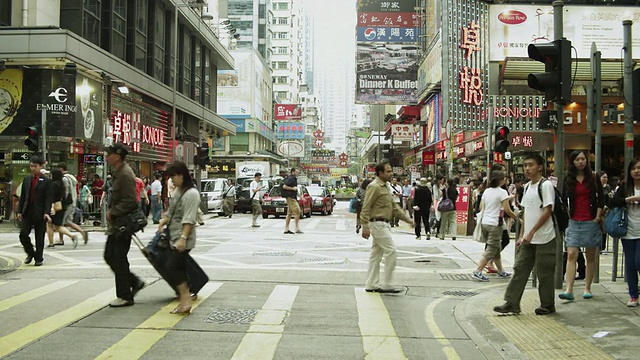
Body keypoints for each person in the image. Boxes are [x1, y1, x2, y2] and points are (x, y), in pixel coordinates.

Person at [494, 153, 557, 315]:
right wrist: (522, 234)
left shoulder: (546, 185)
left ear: (540, 167)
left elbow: (548, 211)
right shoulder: (528, 187)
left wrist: (532, 232)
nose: (527, 168)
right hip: (528, 238)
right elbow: (525, 213)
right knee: (520, 269)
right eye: (525, 165)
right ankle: (512, 302)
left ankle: (547, 305)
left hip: (545, 238)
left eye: (531, 165)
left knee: (544, 273)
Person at [360, 161, 414, 293]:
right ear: (380, 173)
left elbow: (394, 207)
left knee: (376, 255)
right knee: (391, 251)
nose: (391, 173)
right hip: (377, 224)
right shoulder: (374, 186)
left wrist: (408, 220)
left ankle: (371, 284)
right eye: (388, 171)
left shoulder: (386, 187)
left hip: (384, 223)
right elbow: (366, 207)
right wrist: (364, 226)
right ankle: (387, 283)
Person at [558, 150, 604, 301]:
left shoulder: (593, 177)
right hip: (574, 221)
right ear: (572, 162)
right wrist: (566, 214)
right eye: (577, 159)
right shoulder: (568, 178)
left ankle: (587, 287)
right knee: (571, 253)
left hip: (590, 220)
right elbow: (563, 198)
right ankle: (569, 289)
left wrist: (597, 217)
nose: (580, 162)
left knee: (590, 255)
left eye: (583, 159)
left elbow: (601, 199)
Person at [103, 143, 145, 307]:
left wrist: (113, 212)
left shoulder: (125, 174)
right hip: (117, 224)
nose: (107, 156)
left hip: (123, 224)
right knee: (111, 256)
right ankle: (134, 282)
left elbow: (131, 201)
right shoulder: (119, 172)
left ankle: (125, 295)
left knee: (118, 258)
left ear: (118, 156)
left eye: (110, 154)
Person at [157, 161, 200, 315]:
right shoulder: (179, 190)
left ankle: (186, 299)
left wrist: (183, 238)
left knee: (172, 267)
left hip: (183, 238)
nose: (172, 180)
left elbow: (189, 219)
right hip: (174, 236)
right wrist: (164, 220)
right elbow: (172, 210)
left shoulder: (191, 194)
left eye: (173, 176)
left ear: (182, 175)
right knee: (178, 268)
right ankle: (185, 301)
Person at [472, 170, 516, 281]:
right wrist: (517, 219)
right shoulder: (502, 192)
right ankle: (477, 271)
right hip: (495, 224)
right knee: (491, 249)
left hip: (485, 222)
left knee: (495, 248)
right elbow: (507, 210)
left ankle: (501, 271)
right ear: (501, 180)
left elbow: (482, 207)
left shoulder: (487, 191)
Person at [610, 159, 640, 307]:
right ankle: (633, 295)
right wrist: (630, 199)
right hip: (628, 230)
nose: (636, 171)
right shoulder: (624, 186)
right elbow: (614, 202)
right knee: (630, 264)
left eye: (639, 168)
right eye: (633, 168)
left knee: (638, 261)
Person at [17, 156, 53, 266]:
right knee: (23, 234)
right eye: (31, 166)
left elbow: (48, 198)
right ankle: (30, 253)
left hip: (40, 212)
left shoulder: (46, 181)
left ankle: (39, 258)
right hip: (27, 211)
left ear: (41, 166)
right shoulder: (27, 179)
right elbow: (23, 196)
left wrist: (47, 212)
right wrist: (19, 211)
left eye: (35, 166)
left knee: (39, 236)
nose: (33, 168)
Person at [58, 163, 88, 244]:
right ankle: (82, 232)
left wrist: (62, 200)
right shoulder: (72, 177)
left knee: (60, 221)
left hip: (67, 203)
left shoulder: (64, 178)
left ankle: (61, 240)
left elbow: (66, 191)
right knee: (68, 221)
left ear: (61, 169)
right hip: (73, 201)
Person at [49, 169, 79, 249]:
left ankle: (51, 243)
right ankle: (71, 236)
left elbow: (53, 197)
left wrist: (52, 207)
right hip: (62, 206)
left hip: (55, 207)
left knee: (50, 225)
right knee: (57, 225)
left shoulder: (54, 184)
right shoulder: (61, 183)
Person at [283, 168, 302, 234]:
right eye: (297, 172)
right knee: (298, 211)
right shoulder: (291, 178)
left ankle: (286, 229)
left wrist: (300, 197)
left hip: (292, 197)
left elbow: (295, 190)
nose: (297, 173)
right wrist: (292, 188)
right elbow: (284, 186)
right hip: (291, 197)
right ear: (293, 172)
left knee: (289, 213)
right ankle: (297, 228)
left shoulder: (293, 179)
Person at [601, 171, 611, 254]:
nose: (605, 179)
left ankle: (603, 247)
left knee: (604, 230)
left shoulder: (608, 187)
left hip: (605, 211)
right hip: (598, 210)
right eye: (603, 177)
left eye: (606, 177)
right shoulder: (596, 187)